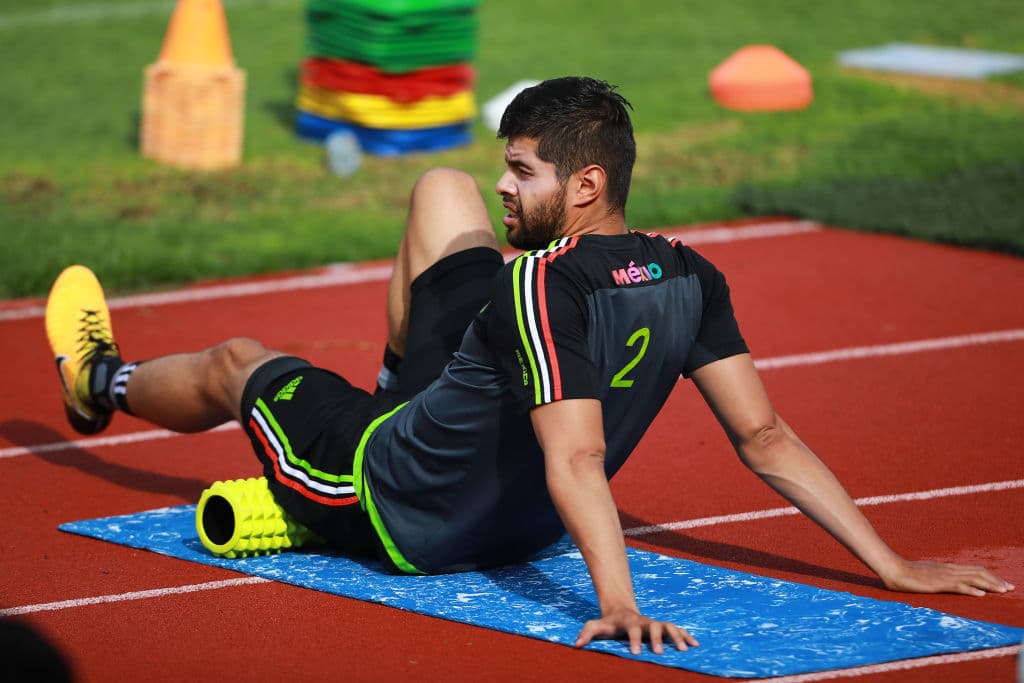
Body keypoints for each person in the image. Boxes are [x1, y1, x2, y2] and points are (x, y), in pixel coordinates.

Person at [46, 77, 1013, 656]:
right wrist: (892, 563)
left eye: (523, 172)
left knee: (237, 361)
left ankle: (98, 383)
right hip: (524, 517)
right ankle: (403, 388)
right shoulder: (690, 273)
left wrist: (619, 604)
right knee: (439, 189)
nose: (506, 188)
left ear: (585, 183)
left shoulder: (539, 288)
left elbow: (578, 457)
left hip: (396, 502)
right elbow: (762, 434)